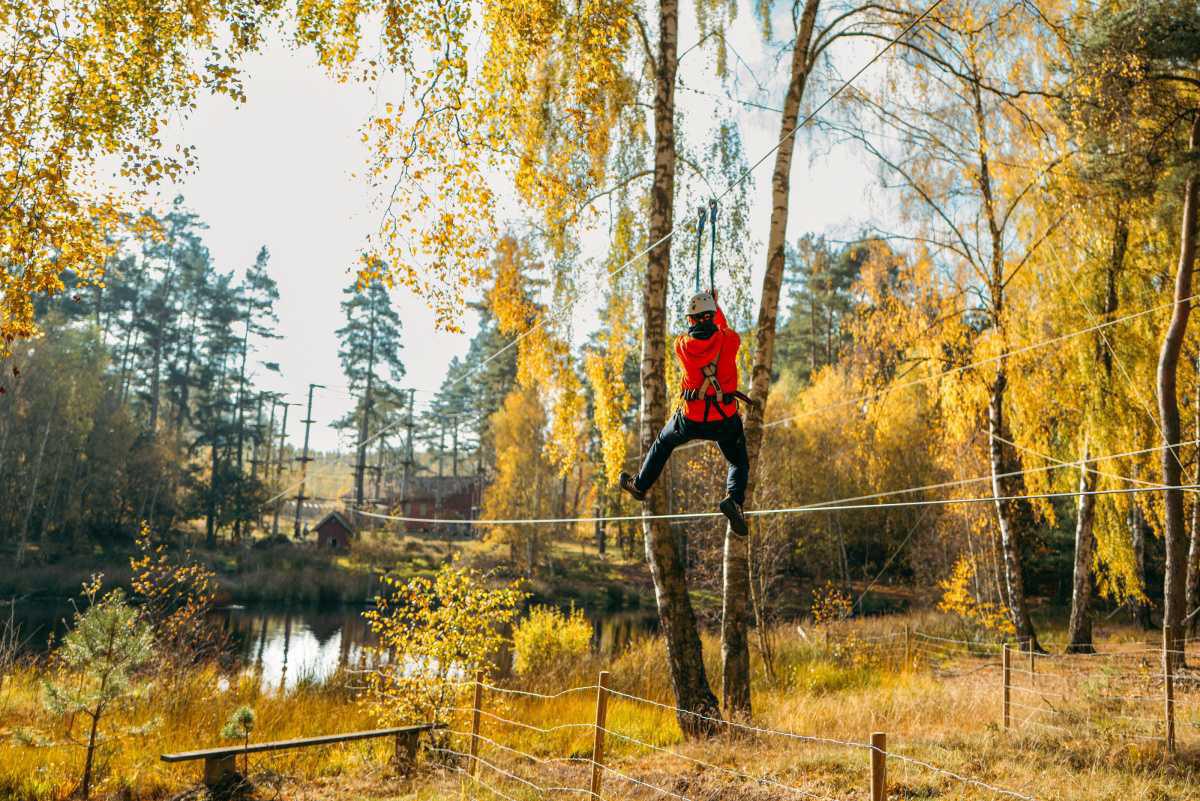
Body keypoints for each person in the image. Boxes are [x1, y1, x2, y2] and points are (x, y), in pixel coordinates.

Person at [619, 289, 752, 535]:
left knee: (663, 443)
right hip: (724, 419)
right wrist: (715, 306)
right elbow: (722, 328)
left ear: (691, 319)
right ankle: (734, 500)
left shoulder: (682, 345)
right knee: (738, 461)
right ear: (712, 316)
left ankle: (639, 485)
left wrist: (707, 311)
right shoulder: (730, 340)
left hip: (691, 419)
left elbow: (696, 333)